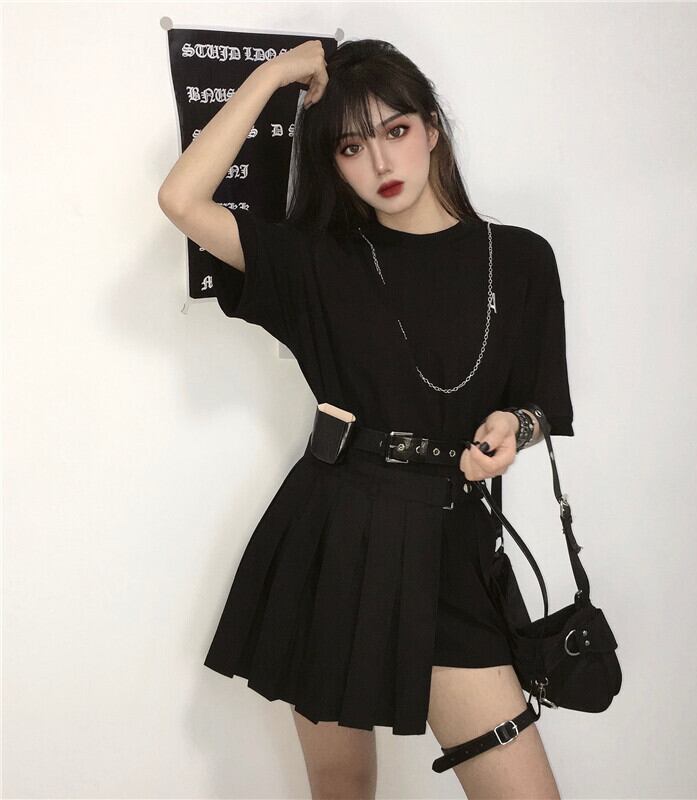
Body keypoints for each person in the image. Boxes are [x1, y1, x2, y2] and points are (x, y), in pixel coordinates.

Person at [158, 37, 573, 800]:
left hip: (450, 544)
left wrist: (515, 427)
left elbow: (542, 402)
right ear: (333, 163)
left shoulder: (519, 259)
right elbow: (182, 199)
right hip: (335, 532)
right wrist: (275, 75)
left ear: (432, 129)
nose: (381, 162)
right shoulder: (317, 261)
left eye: (396, 130)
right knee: (341, 787)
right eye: (351, 147)